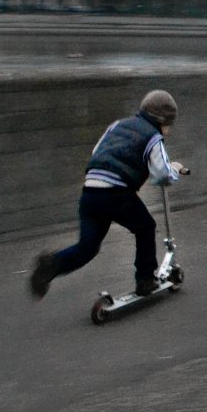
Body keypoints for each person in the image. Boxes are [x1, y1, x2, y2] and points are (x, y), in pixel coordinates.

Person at [30, 89, 185, 299]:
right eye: (170, 125)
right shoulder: (153, 137)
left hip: (90, 191)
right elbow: (161, 175)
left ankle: (52, 265)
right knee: (146, 227)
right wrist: (174, 169)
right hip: (116, 194)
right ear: (162, 120)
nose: (169, 131)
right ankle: (145, 279)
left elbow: (98, 152)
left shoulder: (117, 125)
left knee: (88, 247)